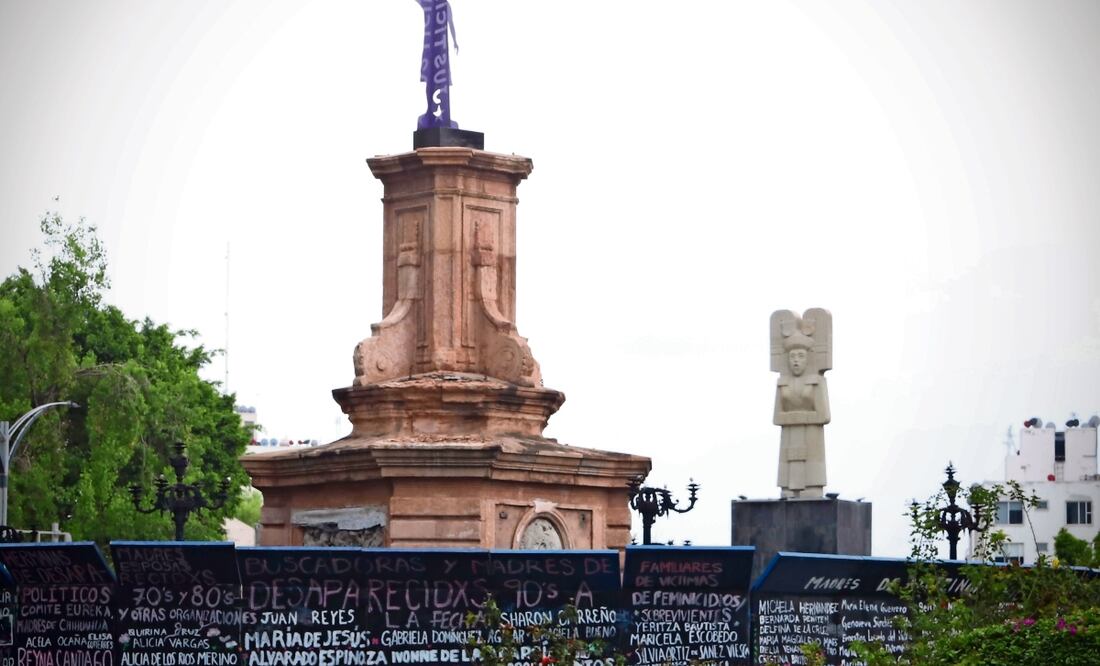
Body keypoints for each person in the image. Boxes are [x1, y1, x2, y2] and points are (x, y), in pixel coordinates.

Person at [773, 332, 830, 498]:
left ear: (808, 358)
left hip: (811, 435)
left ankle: (812, 487)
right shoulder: (783, 382)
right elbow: (777, 417)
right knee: (787, 481)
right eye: (792, 356)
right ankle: (788, 489)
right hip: (789, 435)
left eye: (800, 356)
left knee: (811, 480)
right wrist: (800, 416)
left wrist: (795, 416)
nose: (796, 360)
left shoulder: (816, 381)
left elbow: (824, 415)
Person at [416, 0, 459, 129]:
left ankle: (442, 114)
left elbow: (450, 22)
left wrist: (455, 41)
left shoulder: (444, 5)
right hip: (431, 50)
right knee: (430, 81)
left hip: (441, 53)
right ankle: (430, 110)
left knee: (441, 82)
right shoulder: (430, 3)